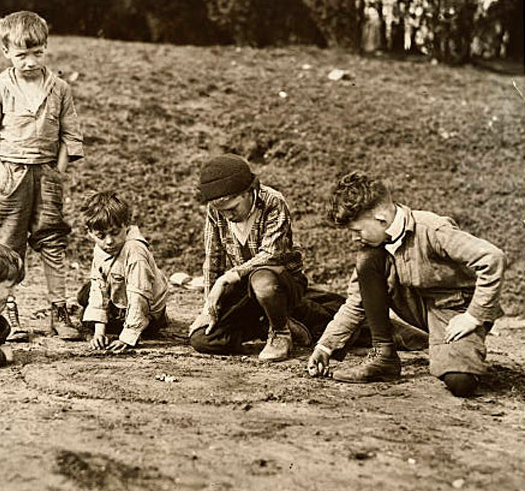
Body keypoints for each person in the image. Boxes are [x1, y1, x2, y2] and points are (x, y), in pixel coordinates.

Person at [307, 171, 507, 397]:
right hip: (415, 305)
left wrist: (473, 316)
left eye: (356, 230)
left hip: (454, 310)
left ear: (381, 218)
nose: (354, 238)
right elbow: (356, 301)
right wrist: (325, 346)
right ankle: (383, 356)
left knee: (460, 382)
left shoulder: (433, 229)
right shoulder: (376, 245)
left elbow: (493, 257)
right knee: (368, 260)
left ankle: (447, 349)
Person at [0, 10, 84, 341]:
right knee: (7, 249)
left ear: (46, 48)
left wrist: (57, 173)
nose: (30, 62)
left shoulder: (59, 89)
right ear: (6, 52)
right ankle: (8, 315)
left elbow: (70, 136)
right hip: (11, 176)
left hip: (46, 176)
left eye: (37, 53)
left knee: (53, 242)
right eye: (21, 55)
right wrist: (2, 174)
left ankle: (59, 312)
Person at [189, 154, 344, 362]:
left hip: (281, 283)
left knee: (262, 280)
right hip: (246, 290)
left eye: (232, 209)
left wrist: (229, 276)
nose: (228, 216)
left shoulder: (272, 201)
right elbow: (213, 259)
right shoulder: (215, 211)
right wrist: (208, 308)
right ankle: (272, 324)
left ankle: (280, 332)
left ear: (249, 192)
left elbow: (272, 254)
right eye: (222, 212)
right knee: (202, 338)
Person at [77, 191, 168, 351]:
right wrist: (99, 332)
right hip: (121, 298)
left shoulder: (135, 250)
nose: (109, 241)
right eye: (101, 235)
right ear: (90, 233)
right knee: (86, 294)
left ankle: (144, 326)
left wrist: (128, 337)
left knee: (88, 317)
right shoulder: (101, 248)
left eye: (115, 233)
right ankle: (108, 324)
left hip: (145, 308)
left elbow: (140, 294)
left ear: (126, 225)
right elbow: (98, 288)